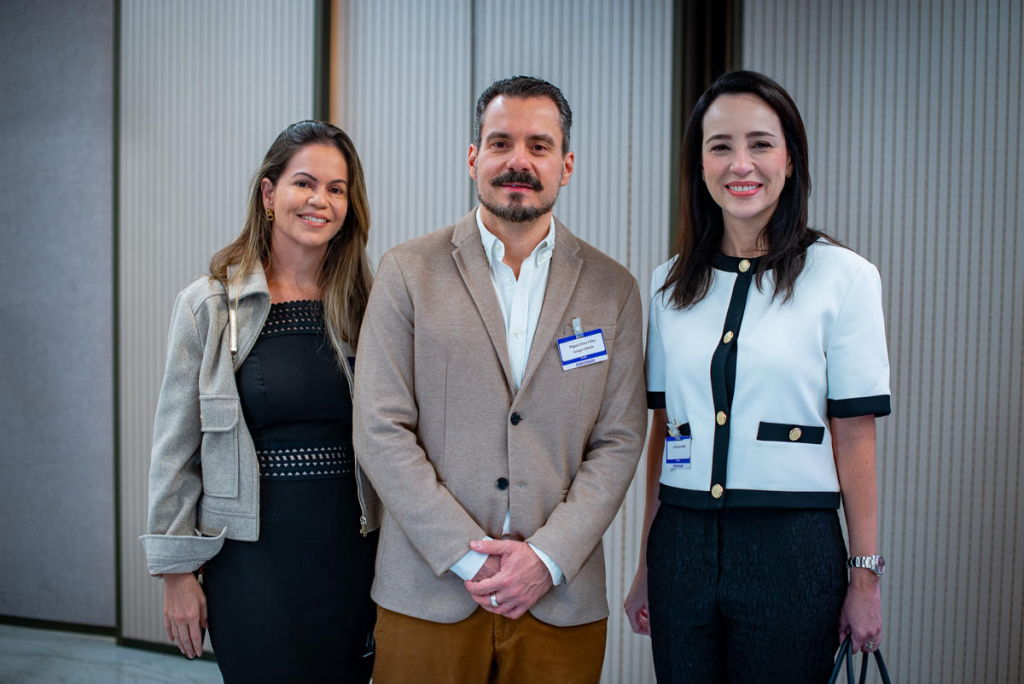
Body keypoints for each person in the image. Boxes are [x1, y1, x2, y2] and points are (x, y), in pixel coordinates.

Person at [352, 75, 647, 684]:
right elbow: (380, 428)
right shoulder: (407, 272)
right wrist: (466, 556)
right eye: (501, 142)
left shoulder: (612, 289)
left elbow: (619, 440)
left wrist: (544, 557)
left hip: (559, 596)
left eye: (539, 146)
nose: (519, 161)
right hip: (427, 592)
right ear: (472, 158)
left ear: (565, 165)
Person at [623, 70, 890, 683]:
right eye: (720, 146)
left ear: (790, 159)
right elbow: (666, 436)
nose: (740, 163)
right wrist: (645, 564)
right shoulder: (669, 287)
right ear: (699, 165)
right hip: (682, 548)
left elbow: (856, 435)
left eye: (760, 143)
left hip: (792, 551)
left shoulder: (845, 279)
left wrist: (865, 575)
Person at [140, 121, 382, 683]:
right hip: (250, 559)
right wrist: (177, 573)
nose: (320, 200)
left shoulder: (366, 305)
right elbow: (175, 445)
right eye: (305, 183)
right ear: (269, 194)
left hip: (352, 554)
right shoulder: (210, 305)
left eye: (337, 188)